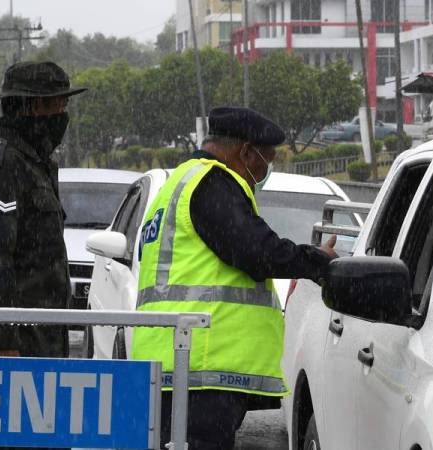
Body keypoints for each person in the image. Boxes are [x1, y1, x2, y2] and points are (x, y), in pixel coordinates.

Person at [133, 106, 338, 449]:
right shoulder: (212, 183)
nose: (265, 169)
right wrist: (319, 263)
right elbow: (257, 251)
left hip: (173, 364)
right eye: (266, 159)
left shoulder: (178, 183)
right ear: (245, 151)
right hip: (200, 366)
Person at [0, 61, 87, 364]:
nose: (63, 114)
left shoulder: (37, 165)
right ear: (34, 107)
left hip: (42, 344)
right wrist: (3, 343)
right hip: (5, 353)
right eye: (59, 104)